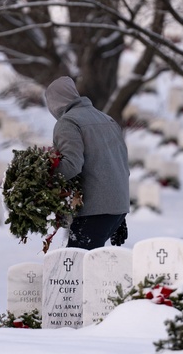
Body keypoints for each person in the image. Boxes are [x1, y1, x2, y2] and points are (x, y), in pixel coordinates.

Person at [44, 76, 129, 249]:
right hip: (118, 207)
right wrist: (119, 215)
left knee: (77, 267)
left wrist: (43, 178)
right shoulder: (107, 119)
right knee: (92, 265)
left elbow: (71, 165)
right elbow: (122, 165)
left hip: (94, 209)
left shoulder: (68, 122)